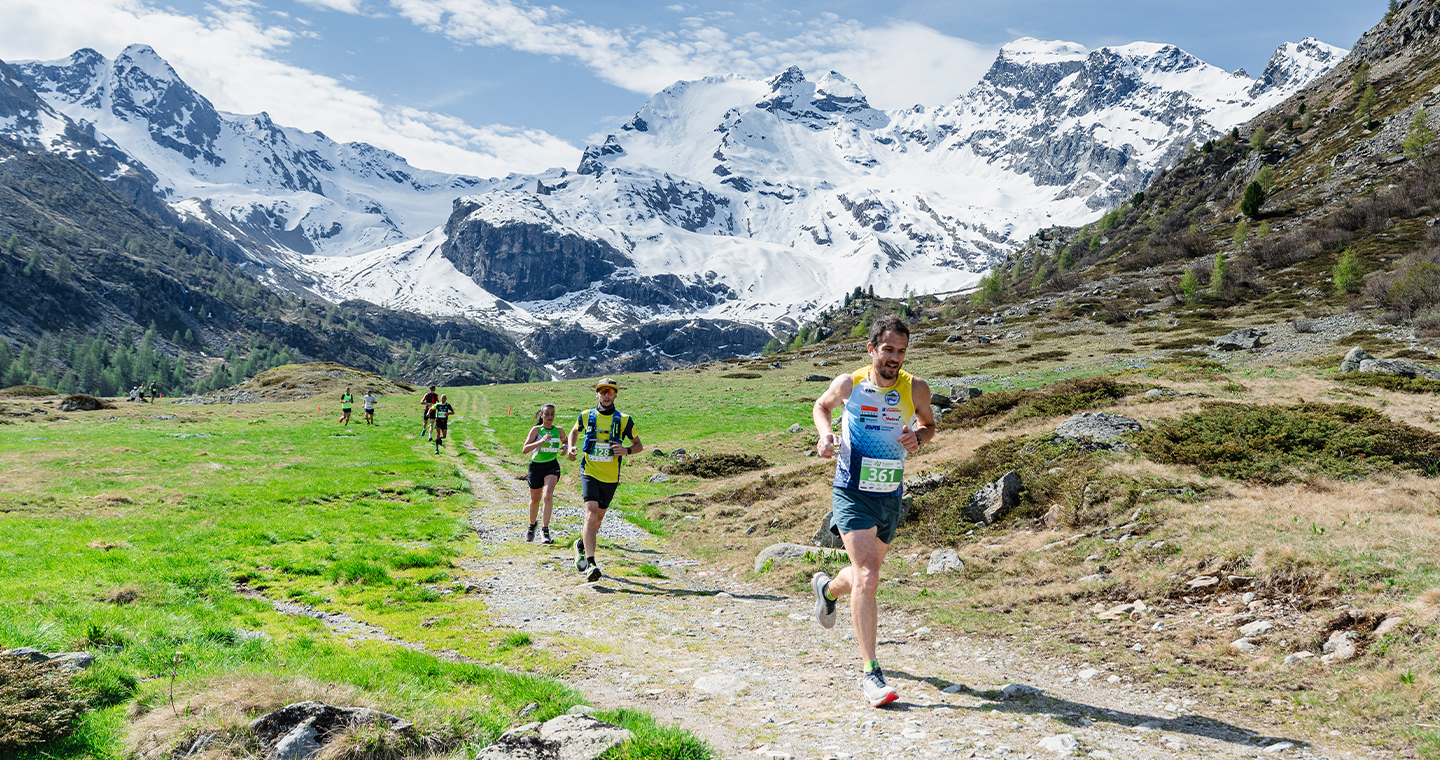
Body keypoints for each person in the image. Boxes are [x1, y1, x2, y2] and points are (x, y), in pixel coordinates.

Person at [809, 315, 934, 708]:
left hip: (889, 494)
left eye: (901, 351)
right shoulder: (850, 383)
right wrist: (824, 434)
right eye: (888, 350)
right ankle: (871, 673)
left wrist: (919, 437)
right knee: (869, 573)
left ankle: (826, 589)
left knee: (864, 574)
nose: (895, 358)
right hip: (851, 491)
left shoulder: (916, 388)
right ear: (872, 350)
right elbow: (821, 406)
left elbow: (929, 425)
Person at [566, 378, 642, 582]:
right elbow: (574, 432)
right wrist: (572, 447)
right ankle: (591, 564)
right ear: (597, 394)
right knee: (590, 515)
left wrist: (626, 450)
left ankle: (580, 545)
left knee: (598, 520)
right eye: (602, 391)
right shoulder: (585, 415)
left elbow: (638, 445)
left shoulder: (624, 420)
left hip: (610, 477)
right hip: (589, 472)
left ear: (616, 395)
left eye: (611, 392)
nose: (607, 395)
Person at [521, 403, 564, 543]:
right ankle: (532, 525)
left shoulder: (559, 430)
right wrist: (540, 441)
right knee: (535, 499)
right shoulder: (536, 430)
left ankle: (545, 530)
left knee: (548, 495)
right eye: (547, 414)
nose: (550, 416)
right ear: (541, 415)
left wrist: (567, 448)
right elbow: (525, 449)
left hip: (551, 466)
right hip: (536, 467)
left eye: (552, 414)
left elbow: (567, 442)